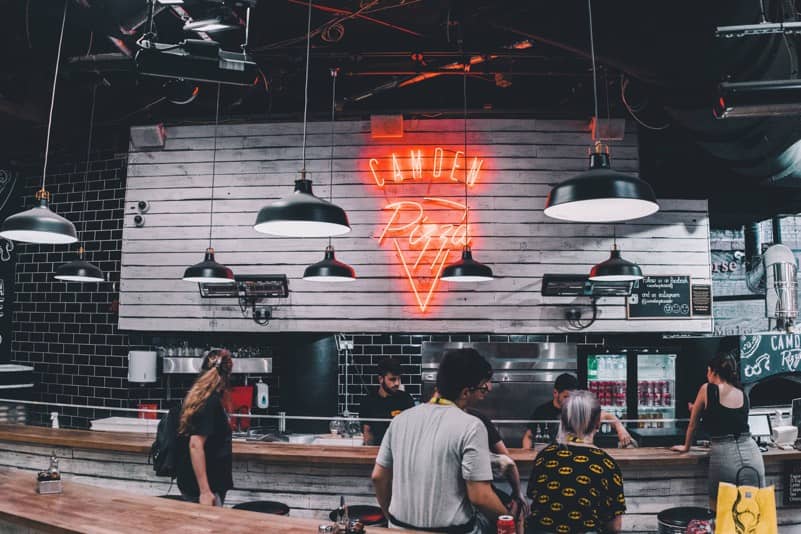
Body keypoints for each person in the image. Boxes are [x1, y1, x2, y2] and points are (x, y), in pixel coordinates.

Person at [371, 348, 507, 533]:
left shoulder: (400, 420)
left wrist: (392, 519)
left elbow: (378, 477)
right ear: (465, 392)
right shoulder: (471, 426)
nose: (488, 389)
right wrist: (510, 519)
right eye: (483, 386)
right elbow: (480, 496)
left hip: (398, 529)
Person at [670, 351, 765, 510]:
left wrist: (686, 447)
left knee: (720, 514)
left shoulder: (707, 389)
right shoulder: (742, 393)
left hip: (724, 455)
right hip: (752, 454)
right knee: (752, 514)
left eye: (708, 370)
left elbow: (693, 425)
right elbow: (730, 421)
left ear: (712, 371)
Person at [526, 390, 626, 534]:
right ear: (598, 422)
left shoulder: (544, 456)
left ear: (564, 421)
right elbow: (614, 527)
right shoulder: (607, 464)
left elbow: (533, 498)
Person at [176, 348, 234, 506]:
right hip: (206, 487)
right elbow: (195, 444)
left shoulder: (197, 396)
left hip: (193, 482)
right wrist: (205, 492)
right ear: (226, 375)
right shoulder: (210, 401)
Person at [522, 373, 632, 448]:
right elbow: (529, 436)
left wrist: (620, 429)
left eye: (572, 397)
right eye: (566, 397)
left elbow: (607, 416)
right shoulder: (541, 411)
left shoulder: (579, 408)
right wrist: (527, 454)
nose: (569, 401)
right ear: (555, 393)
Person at [360, 358, 415, 445]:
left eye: (399, 379)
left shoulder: (406, 400)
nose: (397, 383)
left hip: (400, 452)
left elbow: (412, 431)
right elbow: (367, 432)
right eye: (392, 379)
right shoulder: (368, 401)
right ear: (381, 379)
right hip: (377, 451)